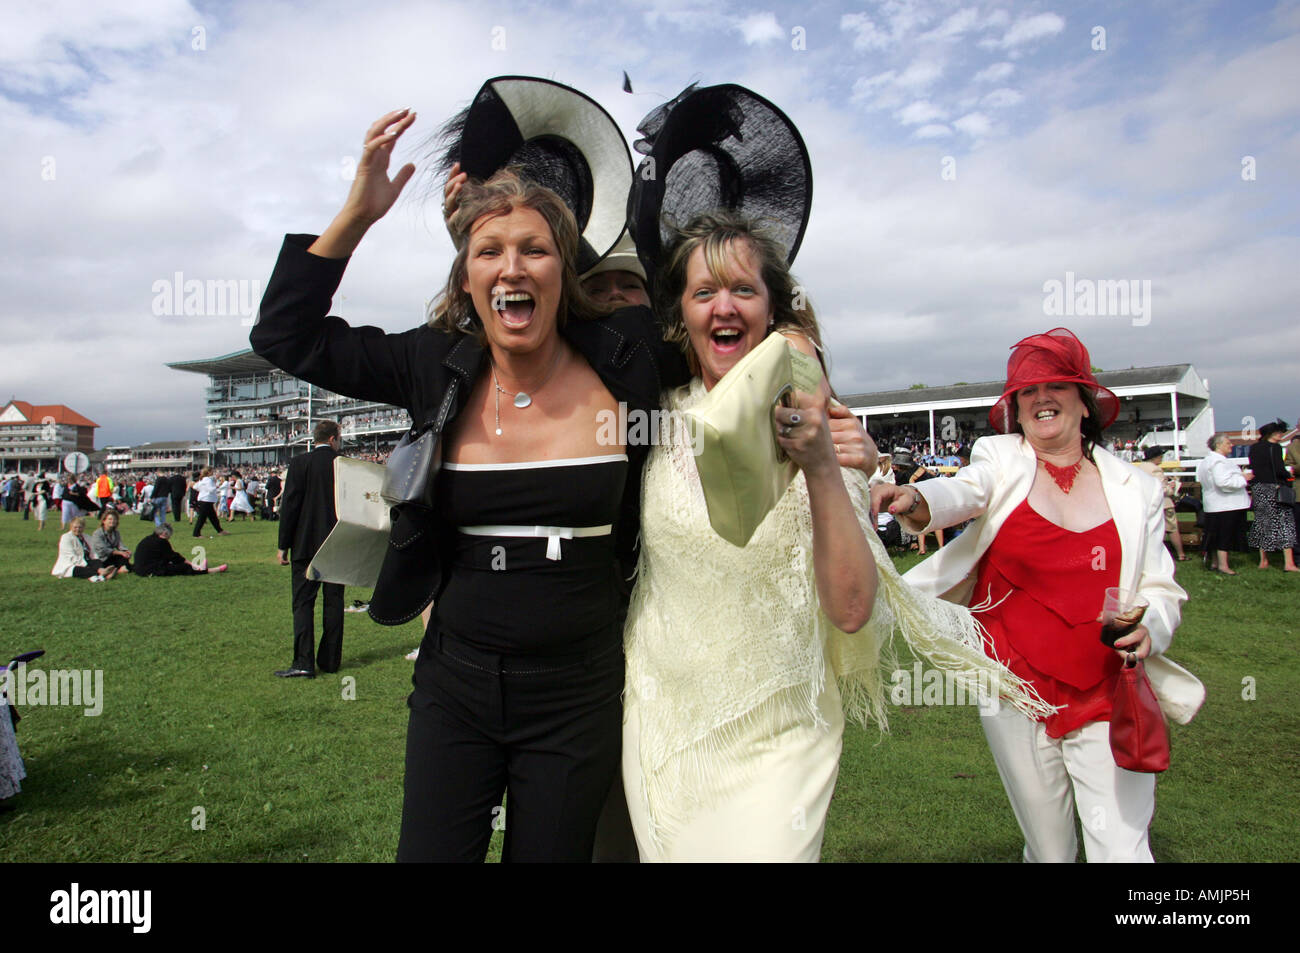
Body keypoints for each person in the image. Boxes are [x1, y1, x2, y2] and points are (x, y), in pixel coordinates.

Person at [250, 82, 692, 862]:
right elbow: (286, 334)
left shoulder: (626, 356)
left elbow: (739, 326)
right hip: (455, 690)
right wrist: (359, 213)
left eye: (534, 249)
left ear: (567, 272)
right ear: (465, 280)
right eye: (488, 251)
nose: (510, 265)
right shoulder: (433, 364)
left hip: (579, 696)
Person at [619, 210, 1041, 862]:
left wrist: (819, 463)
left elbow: (850, 609)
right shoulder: (655, 416)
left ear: (775, 312)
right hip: (664, 729)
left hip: (780, 738)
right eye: (704, 291)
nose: (723, 306)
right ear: (681, 312)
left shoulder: (822, 428)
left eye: (744, 289)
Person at [882, 327, 1187, 863]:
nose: (1042, 397)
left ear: (1084, 403)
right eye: (1027, 391)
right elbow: (963, 490)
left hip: (1106, 687)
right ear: (1016, 412)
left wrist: (1150, 625)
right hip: (1013, 689)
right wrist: (914, 496)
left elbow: (1160, 587)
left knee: (1122, 846)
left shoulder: (1137, 490)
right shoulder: (1000, 459)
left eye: (1057, 386)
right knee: (1048, 850)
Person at [274, 420, 344, 678]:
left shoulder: (300, 463)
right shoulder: (342, 463)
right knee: (334, 602)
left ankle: (304, 661)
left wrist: (283, 545)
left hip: (305, 543)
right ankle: (330, 660)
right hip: (336, 542)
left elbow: (290, 506)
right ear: (333, 439)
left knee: (303, 603)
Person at [1246, 420, 1298, 571]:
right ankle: (1289, 563)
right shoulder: (1275, 448)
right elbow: (1279, 469)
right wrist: (1289, 476)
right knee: (1284, 523)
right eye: (1279, 433)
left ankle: (1263, 561)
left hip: (1259, 488)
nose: (1281, 435)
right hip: (1275, 488)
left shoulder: (1254, 449)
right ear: (1272, 434)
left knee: (1263, 523)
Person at [1196, 432, 1249, 574]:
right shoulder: (1218, 462)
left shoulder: (1206, 461)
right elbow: (1223, 482)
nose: (1231, 445)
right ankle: (1223, 565)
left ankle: (1215, 562)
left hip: (1215, 504)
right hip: (1226, 504)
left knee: (1216, 535)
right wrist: (1244, 479)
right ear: (1218, 445)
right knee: (1224, 536)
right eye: (1228, 443)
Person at [1135, 446, 1189, 561]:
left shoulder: (1139, 468)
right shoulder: (1155, 469)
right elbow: (1161, 489)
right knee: (1172, 529)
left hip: (1145, 502)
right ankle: (1181, 554)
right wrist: (1171, 488)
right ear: (1157, 457)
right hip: (1162, 503)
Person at [135, 523, 227, 576]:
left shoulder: (148, 539)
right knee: (183, 567)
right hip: (149, 570)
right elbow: (174, 557)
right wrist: (191, 563)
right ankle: (205, 570)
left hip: (141, 568)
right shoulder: (161, 542)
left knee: (173, 564)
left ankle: (198, 567)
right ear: (165, 533)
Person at [51, 516, 118, 582]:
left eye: (80, 527)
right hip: (71, 564)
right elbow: (71, 557)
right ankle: (104, 576)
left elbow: (93, 553)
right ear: (71, 527)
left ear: (83, 528)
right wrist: (87, 565)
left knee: (96, 561)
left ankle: (102, 571)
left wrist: (96, 563)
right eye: (75, 527)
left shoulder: (87, 537)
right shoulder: (66, 537)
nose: (78, 529)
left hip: (86, 560)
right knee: (86, 570)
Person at [89, 510, 133, 575]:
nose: (112, 521)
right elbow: (103, 550)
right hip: (101, 558)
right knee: (120, 558)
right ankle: (120, 569)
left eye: (114, 519)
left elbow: (120, 545)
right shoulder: (97, 533)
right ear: (104, 521)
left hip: (111, 557)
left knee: (124, 557)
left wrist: (126, 551)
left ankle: (121, 569)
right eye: (110, 519)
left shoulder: (116, 533)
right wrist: (119, 552)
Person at [191, 467, 228, 537]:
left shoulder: (202, 480)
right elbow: (211, 489)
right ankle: (196, 534)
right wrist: (218, 486)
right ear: (208, 472)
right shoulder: (208, 480)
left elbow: (195, 487)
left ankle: (220, 530)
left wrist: (203, 490)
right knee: (202, 518)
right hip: (206, 501)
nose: (213, 473)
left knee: (213, 517)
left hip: (205, 500)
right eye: (212, 471)